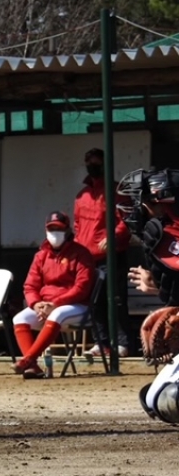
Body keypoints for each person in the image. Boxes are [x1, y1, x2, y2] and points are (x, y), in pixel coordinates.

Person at [117, 168, 179, 422]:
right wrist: (158, 288)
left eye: (144, 202)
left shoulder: (167, 235)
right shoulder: (168, 235)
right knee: (155, 401)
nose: (137, 209)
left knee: (172, 399)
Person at [12, 211, 96, 379]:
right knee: (19, 318)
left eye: (59, 229)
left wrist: (56, 304)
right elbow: (30, 286)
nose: (54, 233)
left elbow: (82, 288)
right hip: (45, 306)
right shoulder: (41, 255)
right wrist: (36, 304)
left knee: (57, 314)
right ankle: (33, 367)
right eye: (51, 229)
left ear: (67, 230)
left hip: (77, 306)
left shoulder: (81, 253)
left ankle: (27, 360)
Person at [73, 148, 132, 358]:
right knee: (95, 301)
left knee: (115, 299)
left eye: (97, 163)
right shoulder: (82, 196)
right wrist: (77, 247)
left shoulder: (117, 191)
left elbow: (127, 220)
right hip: (88, 257)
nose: (92, 167)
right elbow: (78, 225)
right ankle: (102, 343)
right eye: (89, 163)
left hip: (111, 255)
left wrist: (113, 237)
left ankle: (123, 343)